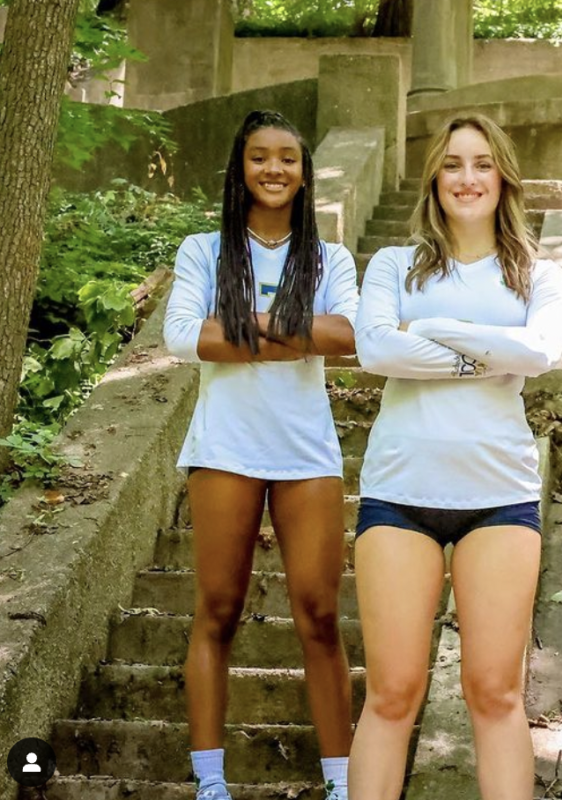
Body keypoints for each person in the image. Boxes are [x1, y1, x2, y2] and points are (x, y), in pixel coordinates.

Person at [348, 114, 562, 800]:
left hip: (498, 498)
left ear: (502, 175)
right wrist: (486, 352)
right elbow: (377, 351)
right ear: (434, 178)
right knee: (391, 694)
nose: (466, 178)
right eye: (452, 164)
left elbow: (536, 354)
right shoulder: (393, 264)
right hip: (400, 494)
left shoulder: (539, 272)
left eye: (480, 163)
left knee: (495, 692)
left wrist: (435, 332)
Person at [163, 110, 359, 800]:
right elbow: (185, 336)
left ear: (305, 174)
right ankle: (210, 783)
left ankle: (342, 783)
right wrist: (295, 331)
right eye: (259, 158)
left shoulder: (330, 257)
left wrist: (246, 325)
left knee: (320, 614)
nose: (274, 170)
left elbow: (348, 334)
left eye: (288, 158)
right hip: (225, 447)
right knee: (217, 608)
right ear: (239, 169)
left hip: (307, 452)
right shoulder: (203, 250)